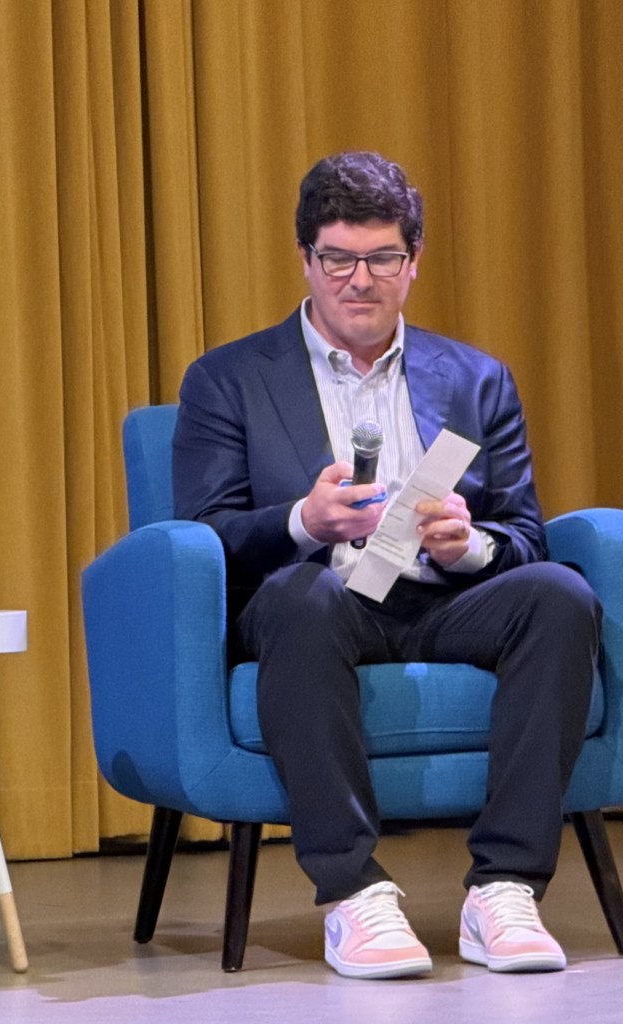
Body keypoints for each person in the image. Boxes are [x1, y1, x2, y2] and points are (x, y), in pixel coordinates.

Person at [173, 150, 601, 980]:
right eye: (338, 258)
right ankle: (354, 891)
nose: (359, 280)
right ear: (306, 259)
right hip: (314, 602)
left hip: (442, 602)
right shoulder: (228, 380)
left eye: (382, 258)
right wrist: (303, 521)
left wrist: (470, 545)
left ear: (415, 261)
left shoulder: (476, 380)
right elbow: (202, 535)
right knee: (305, 596)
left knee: (558, 594)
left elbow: (525, 533)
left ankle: (506, 887)